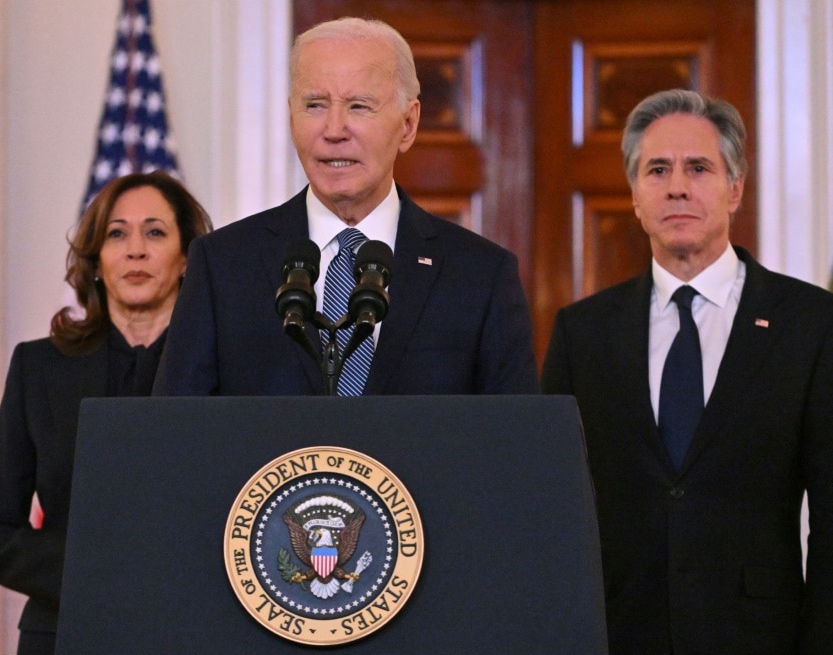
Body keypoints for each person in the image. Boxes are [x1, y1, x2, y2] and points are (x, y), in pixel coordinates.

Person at [542, 89, 833, 654]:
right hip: (617, 635)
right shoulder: (583, 333)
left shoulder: (811, 324)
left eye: (698, 168)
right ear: (634, 195)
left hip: (760, 638)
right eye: (657, 170)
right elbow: (552, 510)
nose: (677, 186)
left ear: (735, 189)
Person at [153, 17, 538, 396]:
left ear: (408, 124)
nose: (334, 130)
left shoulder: (480, 276)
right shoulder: (222, 264)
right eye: (315, 105)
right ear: (291, 118)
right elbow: (176, 436)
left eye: (358, 106)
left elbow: (514, 444)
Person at [0, 171, 212, 654]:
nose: (135, 250)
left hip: (191, 634)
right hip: (64, 633)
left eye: (155, 232)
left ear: (186, 258)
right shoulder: (40, 369)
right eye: (117, 233)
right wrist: (97, 567)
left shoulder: (226, 370)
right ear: (96, 259)